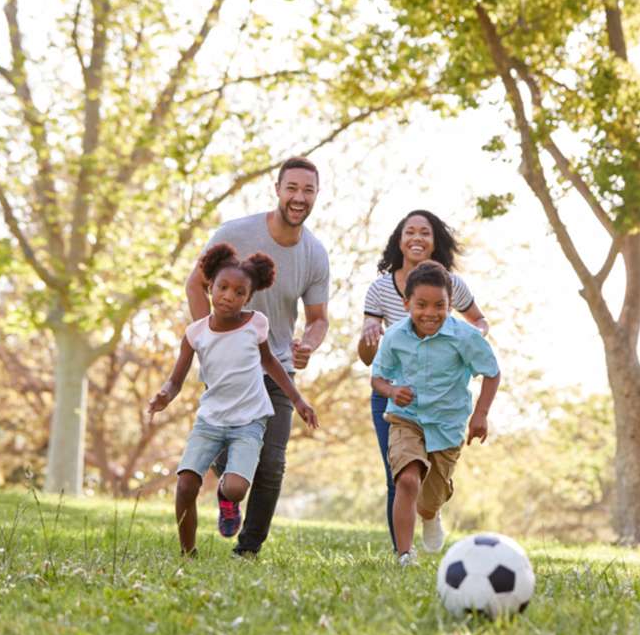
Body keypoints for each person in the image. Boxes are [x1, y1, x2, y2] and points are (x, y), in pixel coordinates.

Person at [185, 156, 330, 557]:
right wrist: (210, 341)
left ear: (317, 196)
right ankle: (228, 492)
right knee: (221, 449)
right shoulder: (236, 233)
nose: (299, 197)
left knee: (271, 463)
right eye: (293, 188)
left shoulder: (315, 254)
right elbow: (195, 286)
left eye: (308, 190)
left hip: (275, 365)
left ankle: (248, 550)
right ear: (278, 190)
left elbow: (319, 319)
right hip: (227, 368)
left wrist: (309, 344)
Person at [150, 244, 318, 556]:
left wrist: (298, 400)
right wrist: (164, 396)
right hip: (209, 422)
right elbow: (176, 378)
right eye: (223, 287)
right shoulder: (195, 333)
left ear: (249, 297)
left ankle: (227, 500)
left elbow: (270, 363)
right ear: (209, 286)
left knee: (237, 488)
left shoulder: (256, 324)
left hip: (249, 423)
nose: (229, 296)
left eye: (239, 292)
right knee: (186, 484)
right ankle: (188, 553)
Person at [358, 210, 489, 550]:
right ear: (399, 240)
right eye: (409, 232)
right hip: (396, 396)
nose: (417, 238)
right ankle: (402, 551)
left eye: (425, 232)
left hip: (444, 401)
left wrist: (465, 343)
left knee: (430, 484)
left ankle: (430, 514)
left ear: (435, 241)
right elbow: (370, 359)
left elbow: (479, 322)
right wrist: (368, 335)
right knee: (402, 475)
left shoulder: (452, 285)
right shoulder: (380, 289)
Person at [370, 261, 501, 566]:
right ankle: (404, 554)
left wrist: (480, 415)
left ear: (451, 304)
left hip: (448, 423)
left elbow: (492, 372)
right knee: (406, 480)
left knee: (428, 501)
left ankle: (431, 514)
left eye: (440, 305)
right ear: (406, 304)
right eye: (421, 305)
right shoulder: (395, 337)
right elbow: (378, 377)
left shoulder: (465, 337)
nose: (431, 313)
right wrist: (391, 392)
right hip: (407, 418)